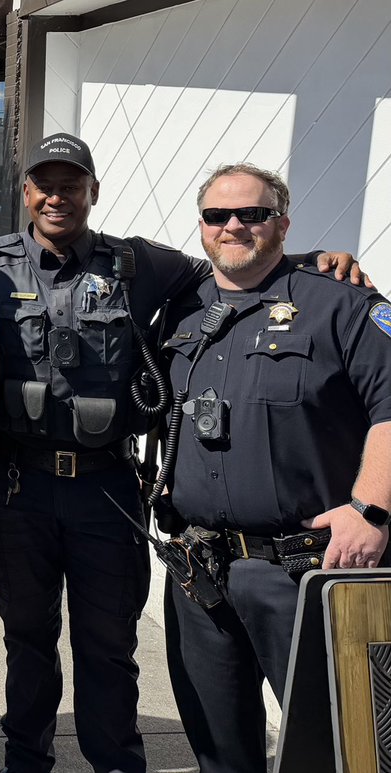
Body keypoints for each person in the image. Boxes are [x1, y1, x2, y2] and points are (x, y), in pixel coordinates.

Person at [0, 134, 362, 773]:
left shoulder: (136, 263)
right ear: (26, 193)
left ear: (93, 192)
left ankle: (115, 763)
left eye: (71, 185)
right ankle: (26, 763)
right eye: (45, 186)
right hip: (19, 487)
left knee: (108, 646)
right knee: (27, 642)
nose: (57, 197)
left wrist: (308, 260)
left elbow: (226, 267)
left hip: (105, 489)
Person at [160, 163, 391, 773]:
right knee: (219, 753)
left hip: (308, 572)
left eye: (254, 214)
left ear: (283, 225)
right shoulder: (181, 311)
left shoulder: (340, 304)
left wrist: (371, 511)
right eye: (217, 215)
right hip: (200, 573)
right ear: (202, 226)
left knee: (339, 748)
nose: (234, 226)